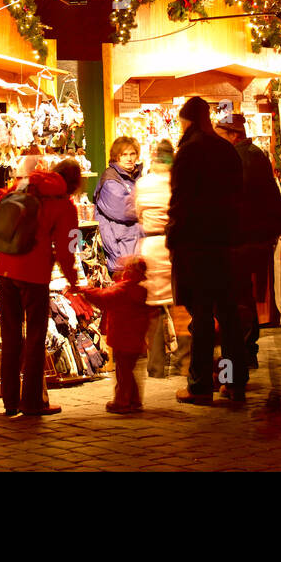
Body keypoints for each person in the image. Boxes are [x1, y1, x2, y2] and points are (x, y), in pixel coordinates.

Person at [168, 96, 247, 404]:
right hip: (224, 242)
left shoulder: (189, 151)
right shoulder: (225, 150)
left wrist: (173, 238)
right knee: (227, 315)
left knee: (201, 315)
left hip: (196, 243)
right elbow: (239, 197)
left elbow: (181, 200)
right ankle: (232, 382)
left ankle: (200, 385)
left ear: (186, 120)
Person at [0, 158, 82, 417]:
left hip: (4, 267)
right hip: (34, 275)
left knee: (10, 336)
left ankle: (9, 401)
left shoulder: (24, 185)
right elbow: (68, 248)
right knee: (34, 337)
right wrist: (73, 280)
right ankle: (31, 401)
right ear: (74, 183)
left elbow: (0, 208)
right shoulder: (64, 204)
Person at [218, 114, 281, 368]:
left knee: (239, 296)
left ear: (234, 135)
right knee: (242, 294)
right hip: (254, 236)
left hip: (246, 237)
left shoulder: (242, 158)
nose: (218, 140)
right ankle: (246, 351)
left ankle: (244, 354)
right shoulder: (251, 154)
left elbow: (240, 201)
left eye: (221, 135)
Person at [84, 256, 154, 413]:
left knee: (123, 372)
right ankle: (134, 400)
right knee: (129, 371)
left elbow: (103, 297)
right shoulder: (141, 289)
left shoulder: (124, 289)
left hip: (122, 338)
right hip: (136, 339)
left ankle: (121, 401)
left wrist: (85, 290)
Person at [133, 140, 176, 376]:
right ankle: (184, 361)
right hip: (174, 244)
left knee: (155, 308)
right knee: (180, 305)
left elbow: (138, 212)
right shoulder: (176, 183)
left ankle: (156, 365)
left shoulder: (144, 183)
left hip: (150, 244)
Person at [94, 136, 143, 273]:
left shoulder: (138, 176)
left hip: (137, 250)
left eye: (132, 154)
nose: (129, 158)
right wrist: (148, 206)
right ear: (116, 157)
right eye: (124, 155)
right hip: (121, 253)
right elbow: (124, 210)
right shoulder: (110, 179)